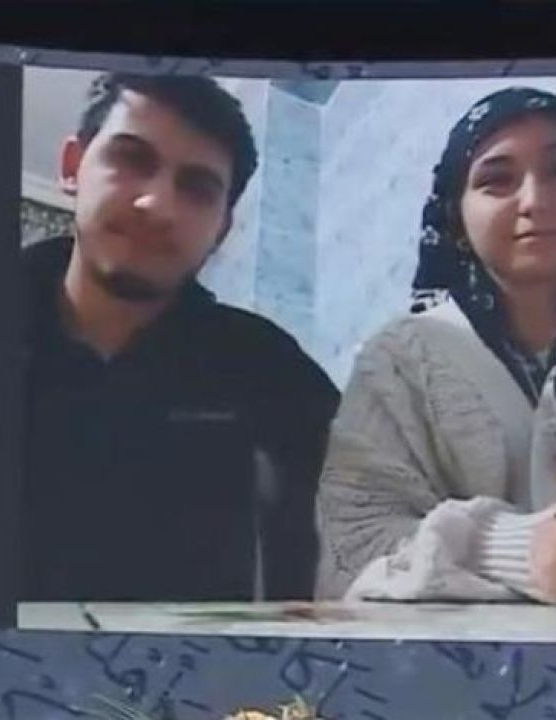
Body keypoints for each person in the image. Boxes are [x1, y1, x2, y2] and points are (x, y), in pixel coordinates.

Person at [315, 87, 556, 608]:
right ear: (457, 214)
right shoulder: (398, 362)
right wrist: (536, 550)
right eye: (496, 180)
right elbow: (353, 550)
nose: (535, 200)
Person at [22, 72, 340, 602]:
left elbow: (373, 508)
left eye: (197, 188)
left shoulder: (267, 366)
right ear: (73, 167)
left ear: (222, 229)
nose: (158, 205)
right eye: (132, 159)